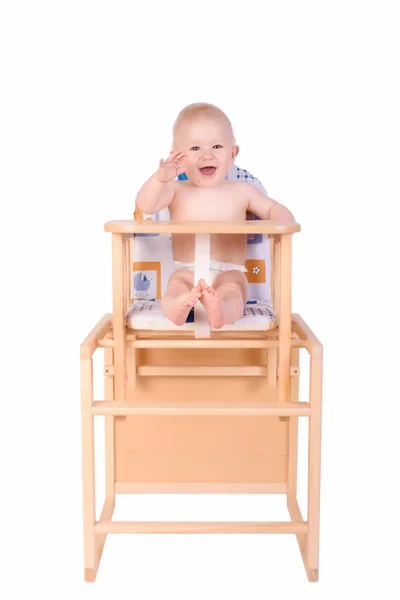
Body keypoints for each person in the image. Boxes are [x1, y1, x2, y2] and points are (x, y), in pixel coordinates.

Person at [135, 102, 295, 329]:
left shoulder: (243, 190)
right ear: (177, 155)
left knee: (234, 294)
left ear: (233, 153)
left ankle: (219, 309)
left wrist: (285, 222)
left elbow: (270, 209)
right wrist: (159, 179)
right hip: (186, 270)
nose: (206, 156)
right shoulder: (174, 189)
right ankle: (179, 307)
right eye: (195, 149)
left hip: (230, 271)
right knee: (176, 288)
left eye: (217, 146)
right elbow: (146, 206)